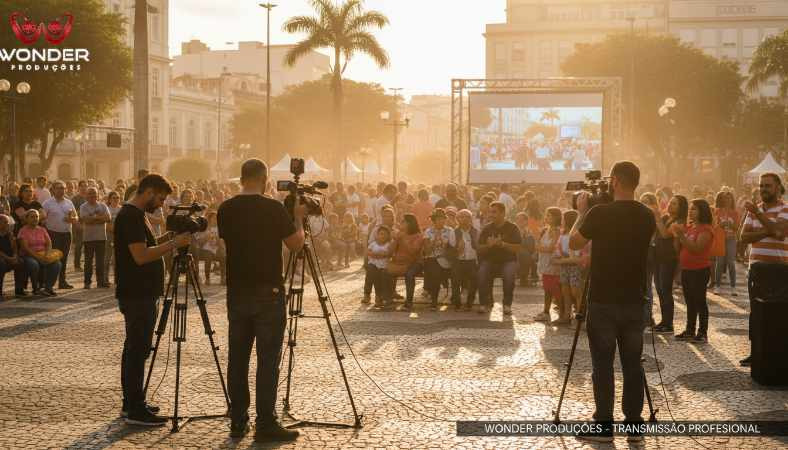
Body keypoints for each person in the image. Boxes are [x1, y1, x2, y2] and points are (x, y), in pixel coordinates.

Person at [217, 159, 305, 442]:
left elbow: (225, 244)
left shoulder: (226, 209)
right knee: (267, 360)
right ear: (265, 179)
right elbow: (295, 244)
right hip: (268, 291)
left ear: (242, 178)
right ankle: (266, 422)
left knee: (238, 358)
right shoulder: (273, 208)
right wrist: (300, 219)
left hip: (237, 290)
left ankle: (238, 420)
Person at [569, 161, 656, 443]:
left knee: (602, 365)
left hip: (604, 299)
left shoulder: (598, 213)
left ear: (615, 181)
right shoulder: (646, 215)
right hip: (634, 299)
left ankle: (603, 425)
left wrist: (581, 213)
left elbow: (573, 243)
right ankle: (634, 425)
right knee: (633, 364)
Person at [115, 174, 191, 426]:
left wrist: (170, 238)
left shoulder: (136, 215)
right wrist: (174, 244)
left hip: (141, 293)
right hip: (137, 294)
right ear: (148, 192)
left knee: (135, 349)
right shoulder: (130, 216)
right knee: (137, 350)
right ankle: (135, 409)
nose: (161, 204)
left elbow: (146, 245)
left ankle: (133, 401)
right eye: (160, 198)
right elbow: (140, 255)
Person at [738, 173, 787, 367]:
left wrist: (760, 218)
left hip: (780, 270)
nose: (763, 189)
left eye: (767, 185)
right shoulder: (754, 209)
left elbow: (781, 233)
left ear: (777, 187)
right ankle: (756, 351)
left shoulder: (785, 208)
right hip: (757, 269)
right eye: (761, 186)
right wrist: (769, 230)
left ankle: (777, 353)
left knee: (779, 313)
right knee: (756, 312)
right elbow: (743, 237)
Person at [674, 199, 714, 343]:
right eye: (690, 209)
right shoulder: (691, 227)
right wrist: (678, 235)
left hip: (700, 270)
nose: (691, 211)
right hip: (687, 269)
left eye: (695, 209)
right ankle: (690, 330)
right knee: (690, 301)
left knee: (699, 301)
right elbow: (681, 248)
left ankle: (702, 332)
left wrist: (681, 235)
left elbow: (697, 248)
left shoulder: (706, 229)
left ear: (702, 211)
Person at [477, 202, 522, 315]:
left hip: (508, 260)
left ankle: (507, 304)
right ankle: (484, 303)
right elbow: (479, 248)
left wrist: (502, 244)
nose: (491, 214)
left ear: (503, 213)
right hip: (490, 260)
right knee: (482, 272)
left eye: (494, 212)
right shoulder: (487, 228)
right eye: (490, 212)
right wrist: (488, 245)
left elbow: (518, 248)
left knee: (508, 274)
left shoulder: (512, 228)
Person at [652, 195, 688, 333]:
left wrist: (657, 217)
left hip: (668, 259)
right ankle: (663, 321)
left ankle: (669, 323)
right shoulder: (666, 218)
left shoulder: (680, 222)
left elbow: (665, 234)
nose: (670, 205)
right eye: (670, 203)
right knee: (660, 290)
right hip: (658, 257)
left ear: (681, 207)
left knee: (666, 290)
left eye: (674, 204)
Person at [41, 181, 78, 290]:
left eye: (63, 188)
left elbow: (76, 217)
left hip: (66, 233)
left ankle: (62, 281)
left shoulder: (69, 202)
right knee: (52, 258)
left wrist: (72, 219)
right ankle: (48, 283)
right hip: (52, 233)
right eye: (58, 188)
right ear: (53, 189)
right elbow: (42, 218)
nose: (61, 190)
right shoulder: (47, 203)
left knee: (64, 258)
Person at [17, 210, 61, 297]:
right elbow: (25, 248)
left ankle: (48, 288)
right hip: (28, 255)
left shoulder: (42, 229)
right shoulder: (23, 231)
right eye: (32, 217)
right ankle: (36, 288)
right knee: (34, 264)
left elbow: (49, 244)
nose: (35, 219)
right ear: (27, 219)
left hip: (43, 254)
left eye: (36, 216)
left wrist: (47, 255)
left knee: (57, 264)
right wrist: (38, 258)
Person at [423, 208, 455, 311]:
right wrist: (433, 243)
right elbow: (427, 251)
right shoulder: (428, 231)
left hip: (446, 258)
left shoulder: (450, 231)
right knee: (434, 270)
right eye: (438, 219)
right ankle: (434, 301)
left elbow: (452, 248)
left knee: (436, 271)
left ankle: (437, 299)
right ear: (434, 220)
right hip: (432, 259)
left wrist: (445, 245)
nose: (441, 221)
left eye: (443, 219)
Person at [79, 187, 111, 289]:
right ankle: (87, 282)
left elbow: (108, 218)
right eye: (90, 194)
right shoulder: (83, 207)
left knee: (100, 261)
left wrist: (93, 218)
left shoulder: (103, 205)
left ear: (97, 195)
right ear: (86, 195)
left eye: (94, 194)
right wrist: (99, 218)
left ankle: (100, 282)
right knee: (88, 261)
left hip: (101, 237)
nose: (92, 196)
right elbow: (85, 220)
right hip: (88, 238)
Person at [535, 207, 562, 322]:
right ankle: (546, 311)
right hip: (545, 263)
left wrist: (540, 248)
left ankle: (564, 311)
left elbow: (552, 248)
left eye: (549, 215)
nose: (546, 217)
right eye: (546, 215)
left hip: (553, 265)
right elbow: (538, 245)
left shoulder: (557, 231)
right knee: (547, 289)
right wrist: (541, 248)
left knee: (554, 289)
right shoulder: (545, 230)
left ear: (556, 217)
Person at [452, 209, 478, 311]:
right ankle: (457, 303)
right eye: (462, 217)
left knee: (474, 279)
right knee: (455, 279)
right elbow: (448, 250)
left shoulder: (475, 232)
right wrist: (457, 250)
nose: (465, 219)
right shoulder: (454, 232)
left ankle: (469, 302)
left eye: (467, 217)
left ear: (471, 219)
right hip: (458, 260)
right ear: (457, 219)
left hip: (471, 261)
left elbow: (479, 248)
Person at [713, 191, 739, 296]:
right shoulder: (717, 211)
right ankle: (717, 286)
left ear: (732, 200)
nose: (727, 200)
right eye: (725, 198)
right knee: (719, 263)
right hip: (720, 239)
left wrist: (730, 225)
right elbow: (714, 226)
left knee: (731, 263)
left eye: (729, 198)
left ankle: (733, 287)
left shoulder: (735, 213)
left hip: (731, 239)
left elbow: (737, 228)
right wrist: (721, 224)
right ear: (722, 199)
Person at [367, 226, 394, 310]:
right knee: (373, 273)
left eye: (385, 235)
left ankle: (385, 297)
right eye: (381, 234)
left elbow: (389, 254)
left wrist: (379, 254)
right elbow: (368, 252)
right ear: (377, 235)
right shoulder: (373, 244)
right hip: (374, 265)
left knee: (383, 275)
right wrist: (378, 255)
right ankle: (378, 296)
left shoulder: (389, 244)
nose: (383, 236)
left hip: (384, 266)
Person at [0, 214, 25, 299]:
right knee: (1, 264)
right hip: (2, 259)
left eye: (8, 223)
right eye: (5, 222)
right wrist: (9, 258)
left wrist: (14, 256)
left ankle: (19, 290)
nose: (8, 224)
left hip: (9, 258)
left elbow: (14, 247)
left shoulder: (9, 234)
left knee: (20, 262)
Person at [71, 180, 88, 271]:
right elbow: (73, 213)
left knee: (88, 245)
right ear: (79, 187)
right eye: (83, 186)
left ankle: (86, 264)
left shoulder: (89, 197)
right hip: (79, 224)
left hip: (89, 225)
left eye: (86, 186)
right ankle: (77, 265)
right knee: (79, 245)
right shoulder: (75, 199)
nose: (84, 188)